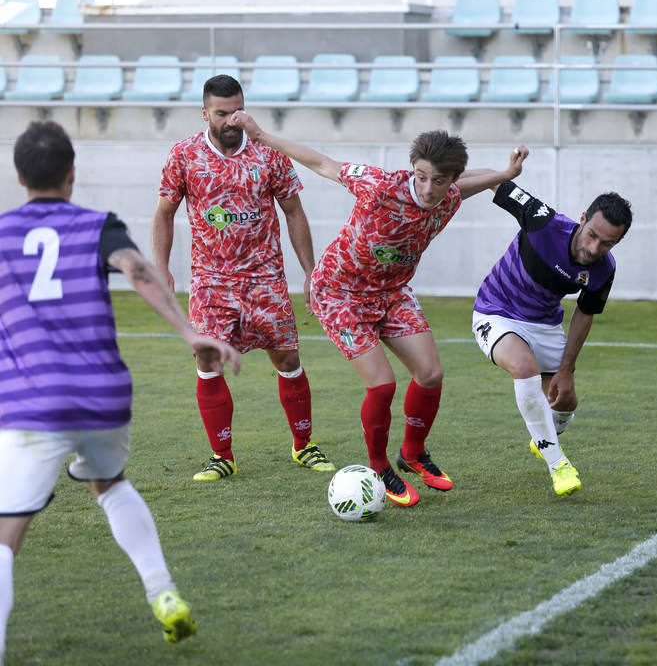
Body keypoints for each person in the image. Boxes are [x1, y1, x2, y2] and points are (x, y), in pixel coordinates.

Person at [0, 121, 242, 663]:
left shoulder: (2, 232)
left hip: (34, 400)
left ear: (19, 177)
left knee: (4, 536)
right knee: (108, 483)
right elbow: (136, 268)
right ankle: (163, 592)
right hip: (104, 397)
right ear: (71, 174)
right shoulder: (97, 225)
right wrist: (190, 333)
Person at [228, 110, 528, 507]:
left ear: (452, 180)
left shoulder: (451, 195)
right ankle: (379, 466)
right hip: (339, 292)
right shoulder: (379, 185)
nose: (427, 187)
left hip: (391, 292)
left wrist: (506, 174)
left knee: (431, 373)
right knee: (383, 384)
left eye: (439, 180)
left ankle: (413, 454)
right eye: (421, 175)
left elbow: (478, 179)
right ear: (412, 168)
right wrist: (261, 134)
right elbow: (322, 163)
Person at [152, 74, 335, 481]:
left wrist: (310, 272)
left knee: (287, 358)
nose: (231, 120)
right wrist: (161, 266)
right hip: (211, 282)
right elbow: (164, 213)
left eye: (237, 110)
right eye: (221, 113)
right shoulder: (184, 155)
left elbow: (293, 212)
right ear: (205, 113)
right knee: (207, 358)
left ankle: (304, 446)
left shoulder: (269, 155)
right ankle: (223, 455)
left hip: (265, 279)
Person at [471, 176, 633, 497]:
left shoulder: (604, 269)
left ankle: (543, 438)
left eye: (607, 244)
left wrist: (567, 369)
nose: (594, 248)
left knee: (565, 401)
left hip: (544, 326)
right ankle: (557, 463)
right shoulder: (543, 220)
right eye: (592, 236)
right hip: (496, 312)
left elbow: (584, 313)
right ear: (582, 219)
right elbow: (496, 183)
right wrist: (441, 191)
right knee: (524, 367)